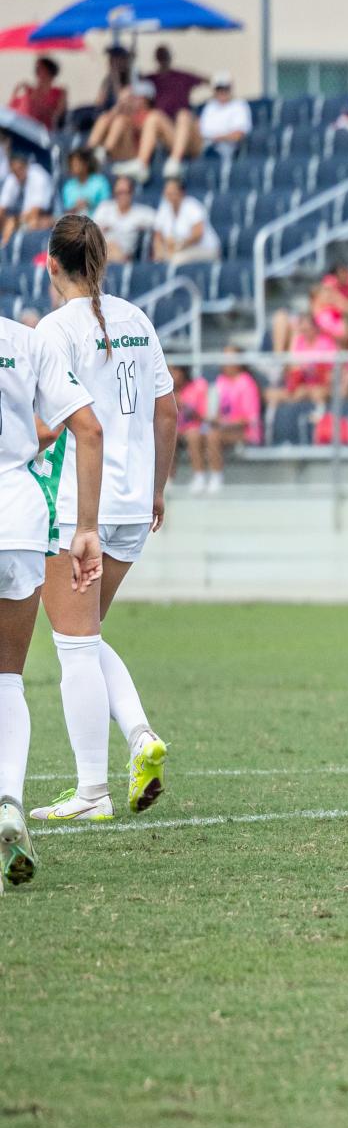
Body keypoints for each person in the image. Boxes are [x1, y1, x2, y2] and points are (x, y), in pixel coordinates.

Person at [28, 216, 174, 825]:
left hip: (74, 505)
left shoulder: (54, 331)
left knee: (74, 646)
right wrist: (157, 489)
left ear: (51, 265)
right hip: (132, 504)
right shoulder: (136, 318)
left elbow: (54, 425)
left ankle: (92, 791)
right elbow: (168, 412)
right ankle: (139, 736)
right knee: (85, 634)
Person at [0, 306, 104, 887]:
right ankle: (8, 799)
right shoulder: (24, 340)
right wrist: (85, 527)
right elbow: (88, 427)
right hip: (16, 521)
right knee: (6, 679)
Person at [178, 347, 263, 492]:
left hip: (243, 431)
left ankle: (217, 475)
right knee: (193, 434)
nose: (226, 363)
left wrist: (223, 422)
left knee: (213, 436)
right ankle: (199, 475)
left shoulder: (247, 383)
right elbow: (214, 411)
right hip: (220, 427)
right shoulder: (220, 381)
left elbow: (249, 419)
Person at [164, 71, 251, 176]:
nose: (222, 92)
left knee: (184, 116)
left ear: (230, 88)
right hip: (201, 145)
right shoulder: (210, 106)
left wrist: (215, 137)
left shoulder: (239, 105)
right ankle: (174, 161)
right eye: (219, 88)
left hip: (221, 149)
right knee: (183, 116)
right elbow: (201, 129)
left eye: (225, 88)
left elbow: (238, 134)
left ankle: (175, 161)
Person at [149, 176, 220, 266]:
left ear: (181, 192)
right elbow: (157, 236)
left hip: (206, 249)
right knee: (159, 261)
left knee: (176, 260)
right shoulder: (164, 208)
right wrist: (159, 251)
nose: (169, 195)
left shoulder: (191, 206)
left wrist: (178, 245)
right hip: (178, 251)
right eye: (167, 192)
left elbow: (198, 234)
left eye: (172, 192)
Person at [90, 174, 152, 262]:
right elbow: (92, 232)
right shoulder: (104, 208)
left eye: (125, 192)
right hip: (101, 252)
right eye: (118, 193)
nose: (122, 196)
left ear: (132, 193)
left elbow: (160, 223)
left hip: (124, 257)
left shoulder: (141, 213)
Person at [0, 152, 56, 246]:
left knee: (33, 222)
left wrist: (14, 221)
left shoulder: (38, 176)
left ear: (25, 165)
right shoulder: (13, 177)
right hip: (21, 219)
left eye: (19, 168)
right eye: (14, 170)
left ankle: (6, 251)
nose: (17, 172)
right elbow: (1, 209)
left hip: (47, 216)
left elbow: (35, 212)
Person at [10, 56, 68, 132]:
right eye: (37, 70)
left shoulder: (60, 92)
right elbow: (11, 111)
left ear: (50, 72)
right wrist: (16, 91)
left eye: (40, 70)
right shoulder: (29, 91)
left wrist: (37, 99)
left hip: (43, 134)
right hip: (23, 131)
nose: (37, 73)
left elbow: (58, 117)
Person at [60, 150, 110, 216]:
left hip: (98, 222)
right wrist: (76, 207)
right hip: (75, 223)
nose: (74, 167)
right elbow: (67, 210)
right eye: (71, 164)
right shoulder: (68, 186)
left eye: (76, 164)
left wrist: (90, 203)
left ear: (85, 164)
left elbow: (107, 205)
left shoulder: (100, 181)